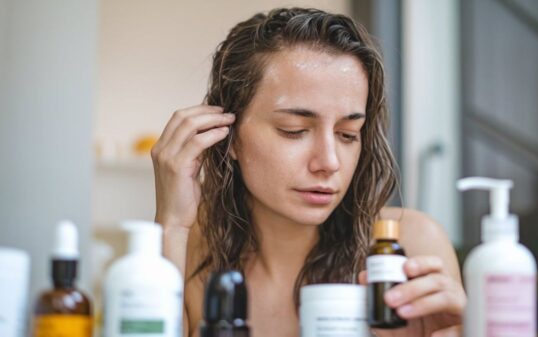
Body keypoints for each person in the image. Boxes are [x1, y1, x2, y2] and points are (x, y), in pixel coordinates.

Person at [151, 7, 465, 337]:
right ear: (228, 136)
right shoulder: (188, 247)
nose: (329, 162)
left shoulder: (407, 247)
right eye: (294, 129)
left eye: (348, 134)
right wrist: (171, 223)